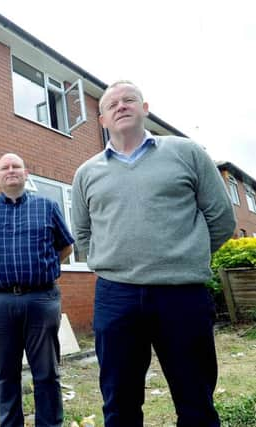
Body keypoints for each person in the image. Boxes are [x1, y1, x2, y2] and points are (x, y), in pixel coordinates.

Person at [71, 80, 236, 427]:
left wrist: (183, 257)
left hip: (182, 295)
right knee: (119, 402)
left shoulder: (186, 153)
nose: (120, 106)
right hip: (116, 296)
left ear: (145, 109)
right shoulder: (87, 173)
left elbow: (221, 218)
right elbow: (83, 234)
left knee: (196, 399)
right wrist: (113, 263)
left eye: (129, 99)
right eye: (111, 104)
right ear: (101, 120)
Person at [0, 153, 74, 427]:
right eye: (5, 167)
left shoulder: (48, 207)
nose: (11, 170)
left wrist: (41, 269)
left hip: (41, 299)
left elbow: (66, 247)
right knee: (5, 373)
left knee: (46, 372)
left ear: (26, 174)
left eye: (16, 166)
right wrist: (0, 273)